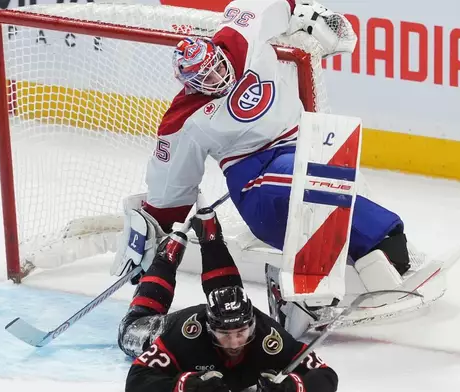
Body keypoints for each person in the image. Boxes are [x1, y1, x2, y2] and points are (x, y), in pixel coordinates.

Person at [113, 0, 421, 332]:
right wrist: (154, 242)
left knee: (317, 167)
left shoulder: (239, 39)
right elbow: (170, 188)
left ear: (218, 53)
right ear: (189, 84)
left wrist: (305, 12)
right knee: (289, 187)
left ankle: (381, 241)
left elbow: (265, 4)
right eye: (206, 77)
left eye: (217, 66)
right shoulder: (183, 120)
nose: (217, 77)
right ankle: (313, 279)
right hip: (250, 177)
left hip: (299, 143)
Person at [120, 208, 339, 392]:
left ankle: (212, 238)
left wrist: (291, 387)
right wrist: (187, 386)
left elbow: (326, 376)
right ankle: (164, 259)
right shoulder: (187, 336)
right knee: (130, 329)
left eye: (241, 332)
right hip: (169, 327)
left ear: (252, 323)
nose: (235, 342)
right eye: (225, 334)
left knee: (228, 295)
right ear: (209, 328)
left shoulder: (270, 338)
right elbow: (136, 380)